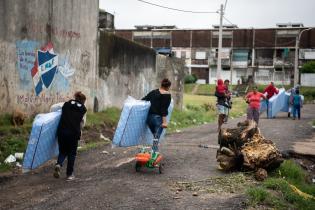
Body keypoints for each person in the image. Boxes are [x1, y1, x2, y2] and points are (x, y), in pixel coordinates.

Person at [53, 91, 87, 181]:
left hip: (62, 131)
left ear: (75, 98)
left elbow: (54, 107)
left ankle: (58, 164)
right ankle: (69, 174)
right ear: (83, 101)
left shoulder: (66, 104)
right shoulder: (83, 109)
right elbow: (82, 124)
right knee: (72, 153)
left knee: (63, 151)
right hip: (73, 133)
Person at [142, 78, 171, 152]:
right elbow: (164, 109)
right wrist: (164, 122)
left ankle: (154, 151)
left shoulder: (153, 92)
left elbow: (143, 100)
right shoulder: (167, 95)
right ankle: (154, 153)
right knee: (156, 137)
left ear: (161, 84)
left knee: (155, 136)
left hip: (149, 119)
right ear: (168, 87)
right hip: (157, 119)